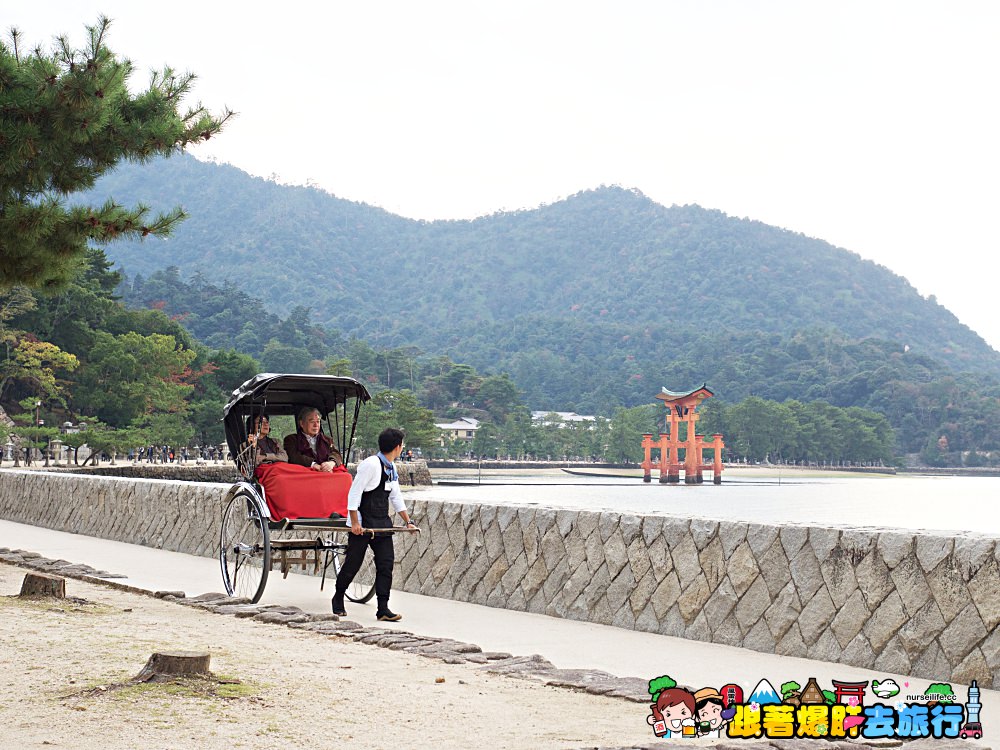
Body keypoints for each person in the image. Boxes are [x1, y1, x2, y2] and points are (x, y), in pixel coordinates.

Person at [331, 427, 416, 622]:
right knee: (353, 563)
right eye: (402, 445)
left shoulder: (391, 467)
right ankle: (338, 597)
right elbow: (355, 493)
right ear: (397, 447)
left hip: (382, 522)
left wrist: (408, 522)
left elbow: (395, 497)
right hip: (363, 521)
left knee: (386, 564)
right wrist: (354, 523)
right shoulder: (371, 464)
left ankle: (383, 608)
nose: (402, 448)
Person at [284, 406, 344, 471]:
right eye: (312, 422)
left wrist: (331, 463)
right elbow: (294, 456)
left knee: (346, 476)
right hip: (304, 474)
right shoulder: (291, 439)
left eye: (318, 421)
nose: (316, 425)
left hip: (326, 471)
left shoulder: (327, 440)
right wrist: (313, 464)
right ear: (302, 423)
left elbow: (336, 453)